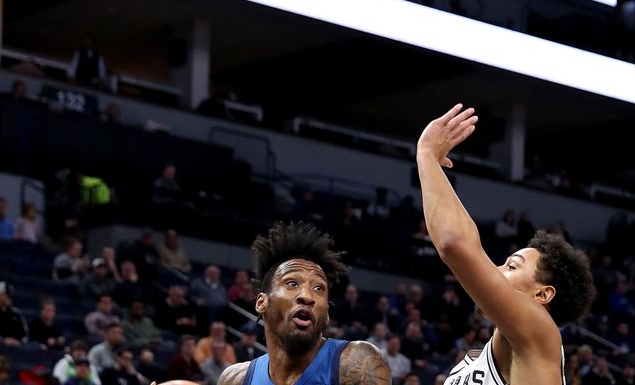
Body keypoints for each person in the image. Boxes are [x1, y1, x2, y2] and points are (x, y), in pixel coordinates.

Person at [415, 104, 595, 385]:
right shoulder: (481, 357)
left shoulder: (539, 331)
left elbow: (454, 244)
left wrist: (426, 153)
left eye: (512, 266)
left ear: (542, 295)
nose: (495, 270)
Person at [216, 221, 391, 385]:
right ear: (261, 302)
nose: (308, 297)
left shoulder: (356, 363)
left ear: (327, 313)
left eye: (319, 288)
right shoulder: (235, 379)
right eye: (292, 283)